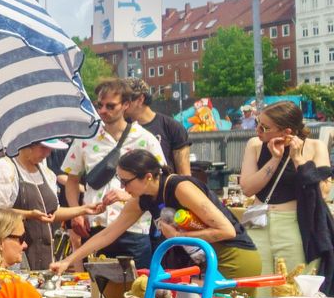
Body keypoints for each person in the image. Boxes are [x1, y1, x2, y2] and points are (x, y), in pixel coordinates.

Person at [52, 149, 261, 283]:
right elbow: (108, 234)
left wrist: (178, 236)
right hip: (206, 262)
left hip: (234, 258)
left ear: (148, 177)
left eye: (126, 181)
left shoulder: (179, 187)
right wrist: (67, 260)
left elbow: (227, 230)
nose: (122, 187)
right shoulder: (142, 197)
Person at [62, 78, 166, 269]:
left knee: (137, 291)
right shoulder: (86, 137)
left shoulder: (145, 139)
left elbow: (159, 183)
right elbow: (71, 180)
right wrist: (76, 212)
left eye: (110, 106)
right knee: (97, 292)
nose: (103, 111)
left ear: (126, 105)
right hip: (96, 227)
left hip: (134, 229)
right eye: (99, 105)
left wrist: (126, 195)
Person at [239, 101, 332, 289]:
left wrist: (298, 159)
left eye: (265, 127)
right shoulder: (255, 145)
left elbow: (321, 190)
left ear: (286, 131)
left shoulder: (314, 146)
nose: (258, 130)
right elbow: (248, 188)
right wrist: (275, 158)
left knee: (293, 286)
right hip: (258, 222)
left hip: (294, 223)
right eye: (258, 122)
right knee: (258, 289)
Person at [0, 140, 103, 270]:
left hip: (44, 252)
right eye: (43, 148)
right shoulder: (4, 169)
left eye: (50, 149)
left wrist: (82, 210)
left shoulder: (47, 173)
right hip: (14, 252)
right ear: (26, 145)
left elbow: (52, 212)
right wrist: (29, 215)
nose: (47, 153)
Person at [125, 78, 191, 175]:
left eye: (125, 100)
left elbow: (184, 175)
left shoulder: (172, 127)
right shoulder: (120, 128)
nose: (121, 105)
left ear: (140, 100)